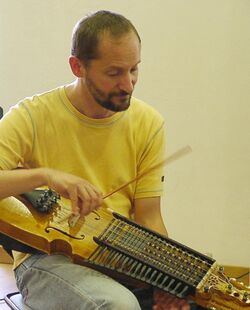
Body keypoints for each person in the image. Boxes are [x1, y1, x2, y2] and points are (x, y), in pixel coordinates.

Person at [0, 10, 191, 310]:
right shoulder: (31, 116)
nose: (128, 84)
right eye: (114, 73)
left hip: (117, 257)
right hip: (45, 260)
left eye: (134, 70)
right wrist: (47, 176)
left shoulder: (148, 122)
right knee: (118, 305)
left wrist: (165, 278)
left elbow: (149, 217)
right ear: (78, 66)